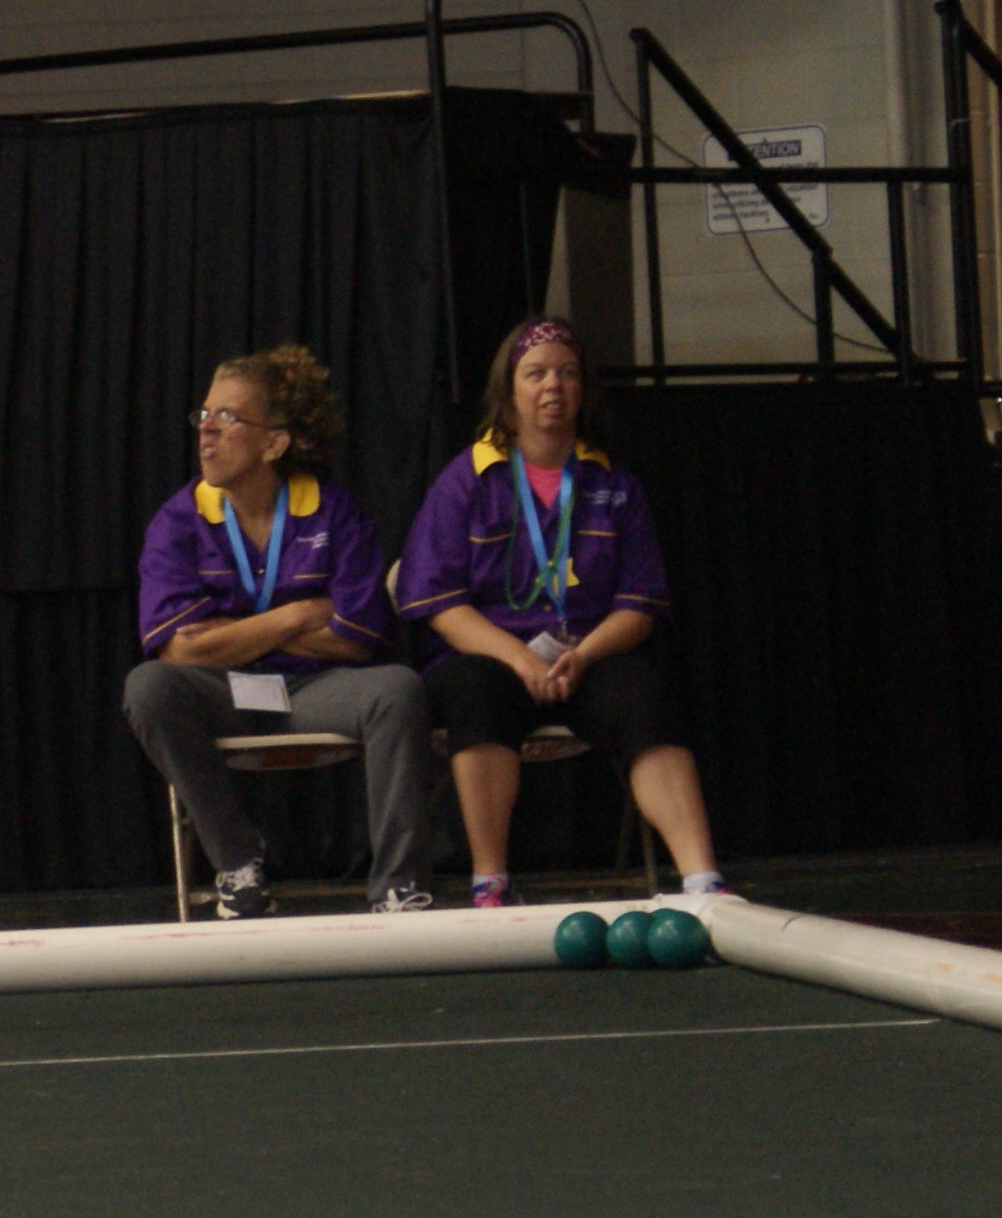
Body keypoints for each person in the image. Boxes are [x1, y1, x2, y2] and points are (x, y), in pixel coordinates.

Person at [393, 318, 723, 906]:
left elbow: (638, 606)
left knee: (643, 694)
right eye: (537, 373)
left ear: (583, 389)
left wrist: (583, 655)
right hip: (491, 656)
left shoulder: (612, 482)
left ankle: (703, 881)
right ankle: (490, 881)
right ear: (509, 389)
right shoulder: (466, 479)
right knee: (475, 691)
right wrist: (519, 658)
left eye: (567, 373)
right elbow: (438, 603)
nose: (553, 386)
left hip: (586, 655)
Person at [123, 344, 434, 916]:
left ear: (274, 443)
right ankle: (238, 864)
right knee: (149, 687)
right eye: (204, 416)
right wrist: (295, 616)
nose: (206, 432)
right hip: (227, 691)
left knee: (397, 690)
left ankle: (396, 884)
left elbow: (354, 637)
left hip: (318, 689)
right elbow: (177, 647)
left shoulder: (335, 513)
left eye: (228, 418)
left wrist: (230, 632)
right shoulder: (177, 521)